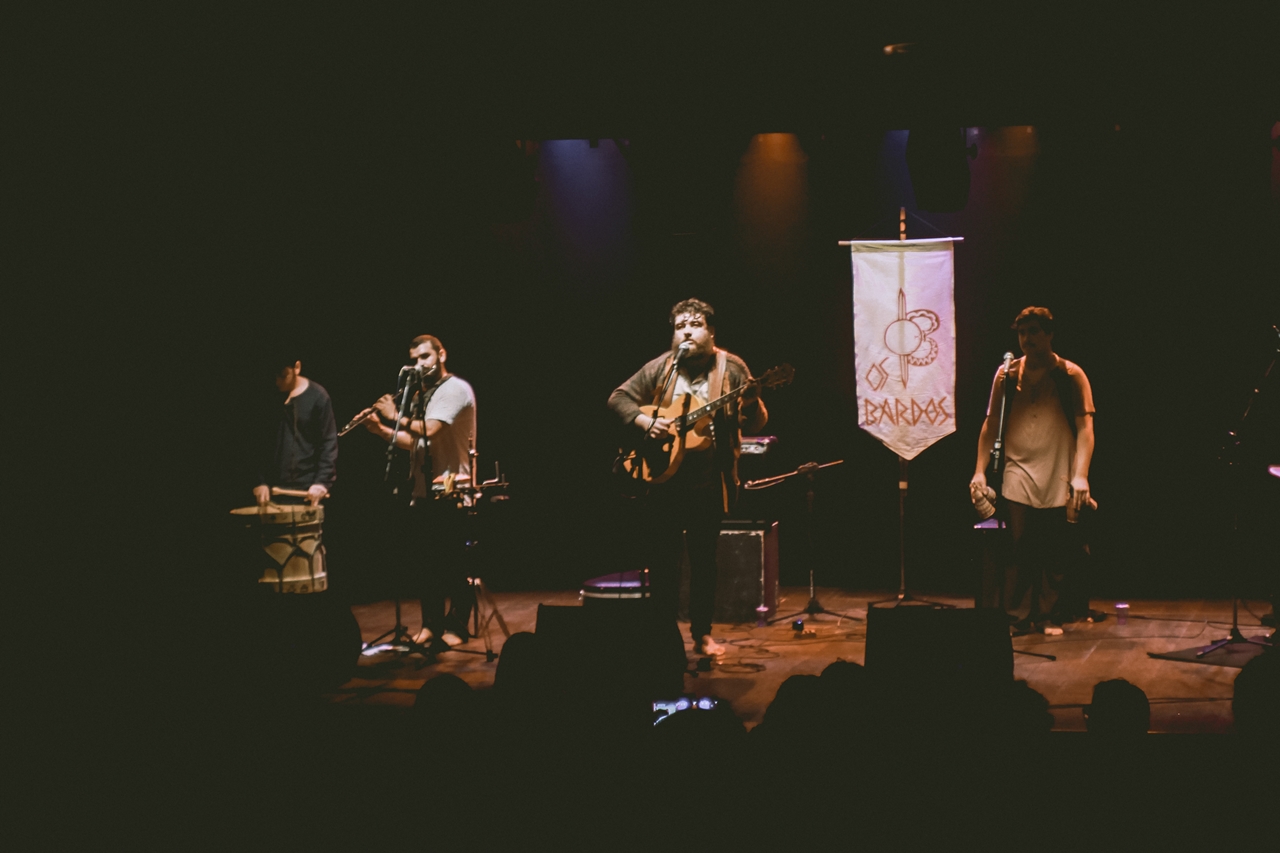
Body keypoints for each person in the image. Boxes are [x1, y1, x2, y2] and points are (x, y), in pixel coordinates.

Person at [608, 298, 768, 656]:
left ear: (711, 332)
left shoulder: (732, 368)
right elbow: (619, 398)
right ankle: (663, 635)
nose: (686, 332)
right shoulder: (661, 367)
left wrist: (751, 401)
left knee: (703, 562)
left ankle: (702, 634)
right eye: (680, 326)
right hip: (664, 480)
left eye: (695, 325)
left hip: (708, 482)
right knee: (663, 563)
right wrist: (646, 422)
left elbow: (757, 422)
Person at [971, 306, 1096, 634]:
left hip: (1057, 469)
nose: (1027, 339)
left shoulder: (1070, 374)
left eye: (1034, 332)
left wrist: (1081, 474)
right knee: (1018, 545)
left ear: (1050, 334)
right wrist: (979, 471)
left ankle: (1047, 615)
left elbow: (1085, 427)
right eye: (1022, 333)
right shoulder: (1007, 375)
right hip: (1018, 468)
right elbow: (990, 423)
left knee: (1054, 549)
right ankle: (1018, 616)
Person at [364, 334, 476, 648]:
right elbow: (418, 444)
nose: (419, 364)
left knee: (454, 564)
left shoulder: (455, 389)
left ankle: (457, 627)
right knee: (427, 565)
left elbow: (432, 429)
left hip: (453, 489)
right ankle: (430, 625)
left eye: (425, 356)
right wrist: (381, 430)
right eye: (414, 359)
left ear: (442, 354)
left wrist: (394, 416)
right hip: (424, 489)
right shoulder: (419, 396)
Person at [255, 353, 337, 507]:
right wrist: (259, 481)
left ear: (296, 368)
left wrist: (321, 482)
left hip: (308, 490)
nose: (278, 381)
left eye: (283, 376)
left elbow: (328, 442)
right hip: (271, 491)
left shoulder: (318, 397)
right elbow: (258, 442)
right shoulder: (269, 395)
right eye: (275, 376)